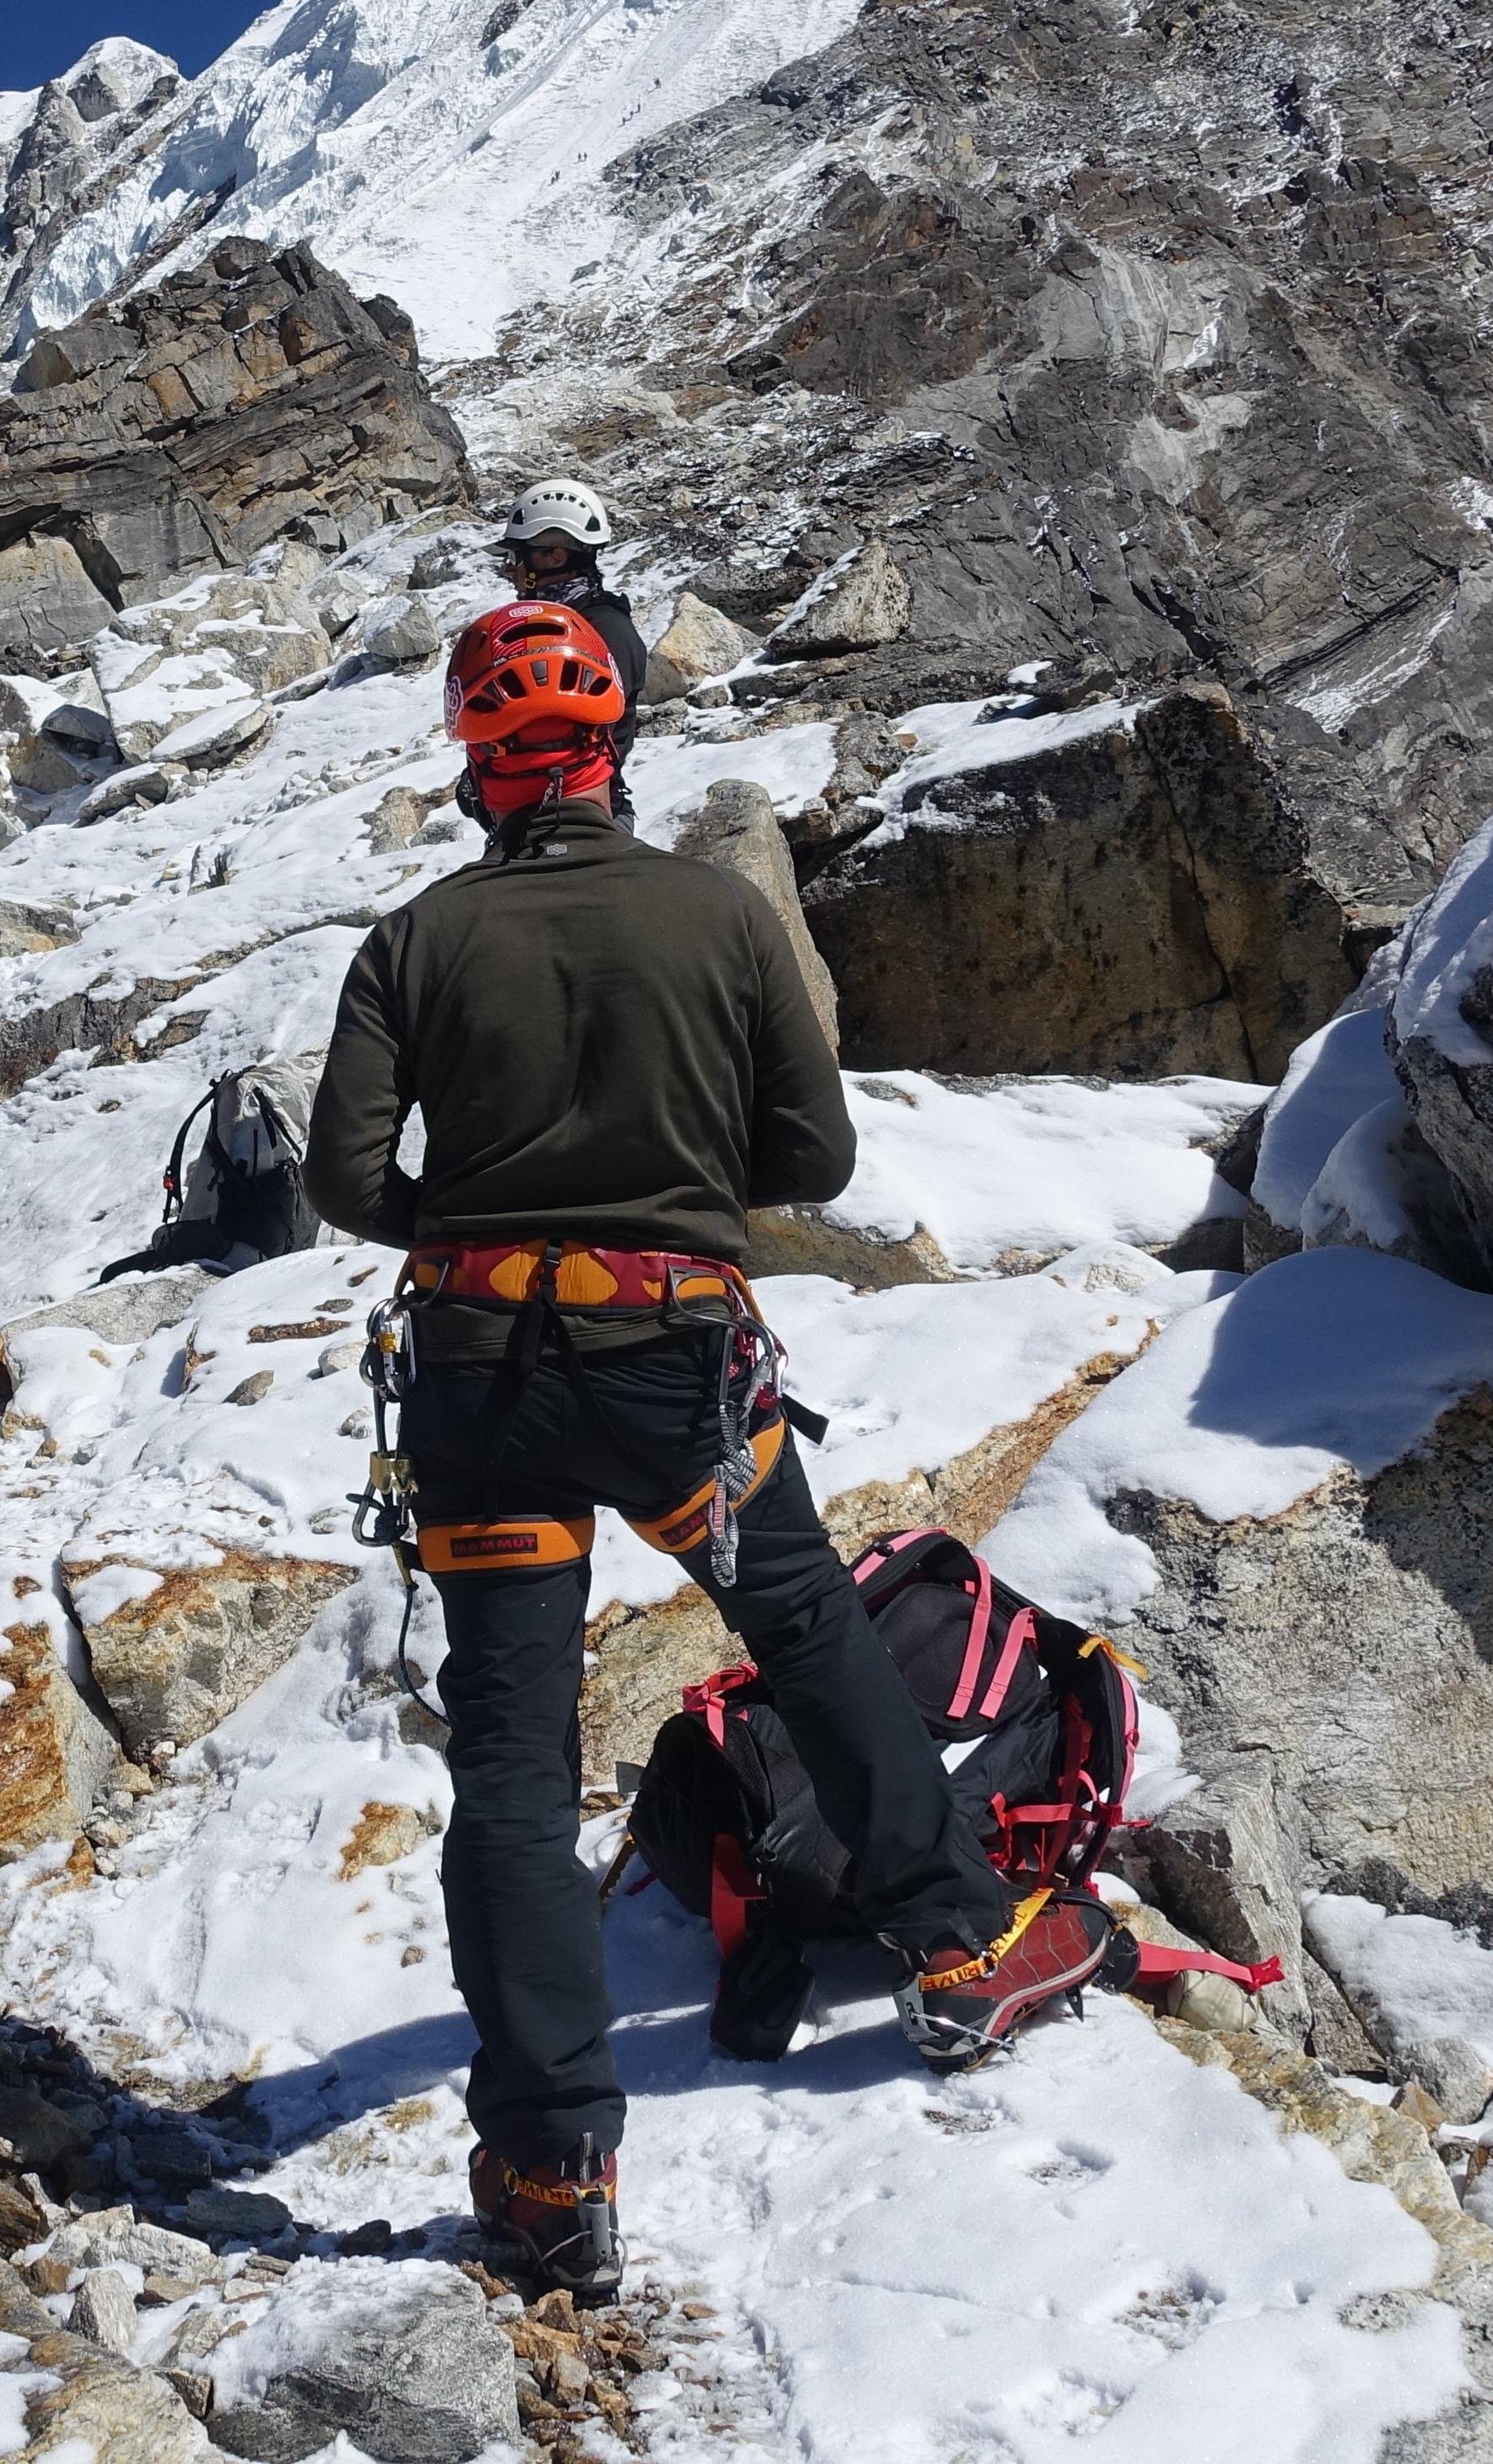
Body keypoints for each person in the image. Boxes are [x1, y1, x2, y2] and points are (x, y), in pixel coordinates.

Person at [305, 600, 1118, 2300]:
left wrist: (476, 1211)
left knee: (517, 1771)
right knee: (807, 1632)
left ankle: (546, 2166)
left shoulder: (416, 940)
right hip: (675, 1363)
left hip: (480, 1377)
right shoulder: (719, 917)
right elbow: (811, 1152)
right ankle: (961, 1933)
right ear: (617, 748)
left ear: (475, 762)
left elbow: (346, 1182)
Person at [497, 478, 684, 713]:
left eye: (516, 556)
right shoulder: (536, 622)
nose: (509, 569)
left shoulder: (607, 627)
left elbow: (599, 715)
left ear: (556, 558)